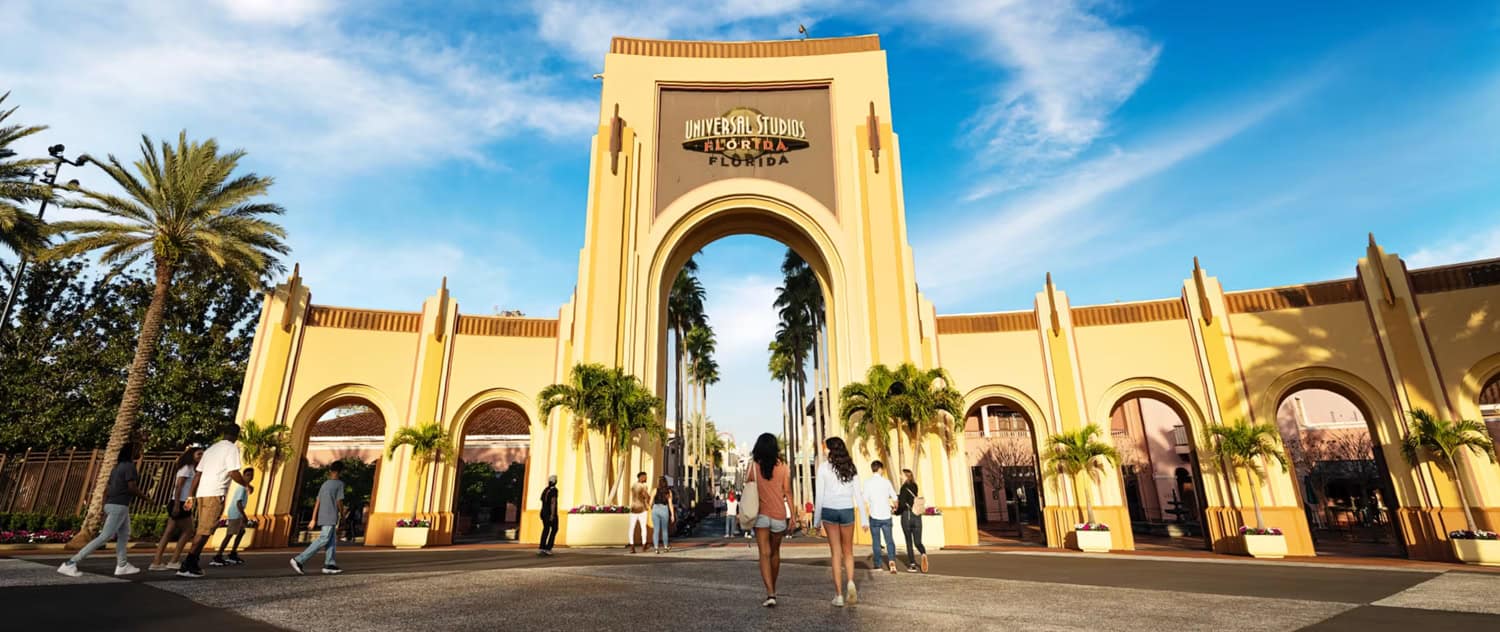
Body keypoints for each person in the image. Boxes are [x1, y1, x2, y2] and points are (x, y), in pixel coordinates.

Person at [58, 442, 150, 577]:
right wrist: (147, 499)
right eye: (138, 449)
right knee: (104, 537)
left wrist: (103, 508)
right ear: (132, 452)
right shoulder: (130, 467)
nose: (140, 452)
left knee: (124, 535)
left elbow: (106, 490)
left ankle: (122, 565)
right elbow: (132, 487)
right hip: (119, 506)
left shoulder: (116, 468)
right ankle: (70, 563)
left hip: (114, 505)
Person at [179, 424, 252, 578]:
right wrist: (246, 484)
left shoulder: (211, 449)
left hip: (202, 493)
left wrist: (191, 495)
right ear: (236, 436)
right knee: (205, 530)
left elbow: (198, 474)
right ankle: (189, 563)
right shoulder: (231, 448)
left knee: (203, 528)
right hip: (215, 492)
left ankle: (192, 561)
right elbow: (233, 472)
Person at [812, 437, 862, 607]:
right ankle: (850, 582)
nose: (824, 451)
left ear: (830, 449)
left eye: (825, 447)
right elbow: (858, 494)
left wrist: (816, 521)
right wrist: (864, 517)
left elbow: (819, 496)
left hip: (829, 510)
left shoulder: (823, 469)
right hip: (847, 510)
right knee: (848, 552)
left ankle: (839, 595)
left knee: (835, 553)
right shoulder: (851, 467)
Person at [749, 432, 796, 608]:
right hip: (779, 515)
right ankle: (772, 589)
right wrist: (793, 515)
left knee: (764, 553)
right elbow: (788, 491)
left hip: (760, 515)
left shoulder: (753, 466)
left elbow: (748, 487)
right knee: (775, 553)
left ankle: (770, 592)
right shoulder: (783, 466)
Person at [149, 446, 203, 571]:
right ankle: (173, 560)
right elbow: (178, 487)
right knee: (188, 531)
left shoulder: (193, 470)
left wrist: (189, 504)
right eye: (199, 454)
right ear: (192, 455)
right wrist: (178, 505)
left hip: (185, 502)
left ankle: (158, 561)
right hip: (179, 502)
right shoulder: (186, 469)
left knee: (169, 532)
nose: (201, 457)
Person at [290, 460, 345, 575]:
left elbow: (317, 502)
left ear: (331, 471)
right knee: (324, 539)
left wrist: (313, 518)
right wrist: (343, 516)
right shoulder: (339, 484)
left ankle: (330, 564)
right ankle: (299, 560)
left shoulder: (324, 484)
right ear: (340, 472)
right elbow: (339, 501)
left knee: (331, 541)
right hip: (331, 515)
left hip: (322, 515)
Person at [211, 467, 255, 566]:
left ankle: (233, 553)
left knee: (241, 532)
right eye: (248, 475)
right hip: (236, 513)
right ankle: (218, 555)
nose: (250, 477)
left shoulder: (245, 487)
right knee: (229, 534)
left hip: (238, 512)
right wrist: (244, 516)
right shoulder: (241, 487)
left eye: (251, 475)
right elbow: (238, 503)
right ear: (243, 476)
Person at [862, 460, 899, 575]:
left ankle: (878, 564)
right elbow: (895, 498)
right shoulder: (886, 482)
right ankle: (892, 561)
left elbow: (864, 500)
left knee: (876, 542)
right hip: (886, 515)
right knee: (889, 540)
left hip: (874, 516)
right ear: (880, 469)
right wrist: (894, 507)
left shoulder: (867, 483)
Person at [898, 468, 928, 573]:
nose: (900, 477)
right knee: (918, 541)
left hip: (907, 515)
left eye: (901, 475)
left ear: (906, 476)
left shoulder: (903, 488)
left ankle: (912, 565)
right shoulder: (915, 486)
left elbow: (902, 504)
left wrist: (897, 512)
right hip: (917, 515)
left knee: (909, 542)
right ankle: (923, 553)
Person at [627, 471, 651, 554]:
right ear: (641, 477)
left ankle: (632, 546)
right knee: (643, 528)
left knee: (631, 528)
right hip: (642, 509)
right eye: (645, 477)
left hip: (633, 508)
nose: (646, 478)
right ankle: (644, 545)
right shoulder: (643, 486)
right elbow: (646, 496)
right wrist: (649, 500)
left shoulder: (633, 485)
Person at [650, 475, 674, 553]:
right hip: (664, 509)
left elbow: (650, 503)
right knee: (664, 530)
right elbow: (670, 504)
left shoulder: (655, 490)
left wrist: (650, 509)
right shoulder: (668, 492)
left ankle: (656, 548)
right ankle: (666, 547)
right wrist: (672, 515)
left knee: (656, 530)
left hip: (656, 509)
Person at [538, 474, 559, 556]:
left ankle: (541, 547)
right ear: (555, 482)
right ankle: (548, 548)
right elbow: (553, 502)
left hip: (543, 512)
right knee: (555, 529)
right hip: (550, 513)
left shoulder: (545, 490)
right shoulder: (554, 491)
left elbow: (543, 502)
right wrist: (552, 515)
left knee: (546, 529)